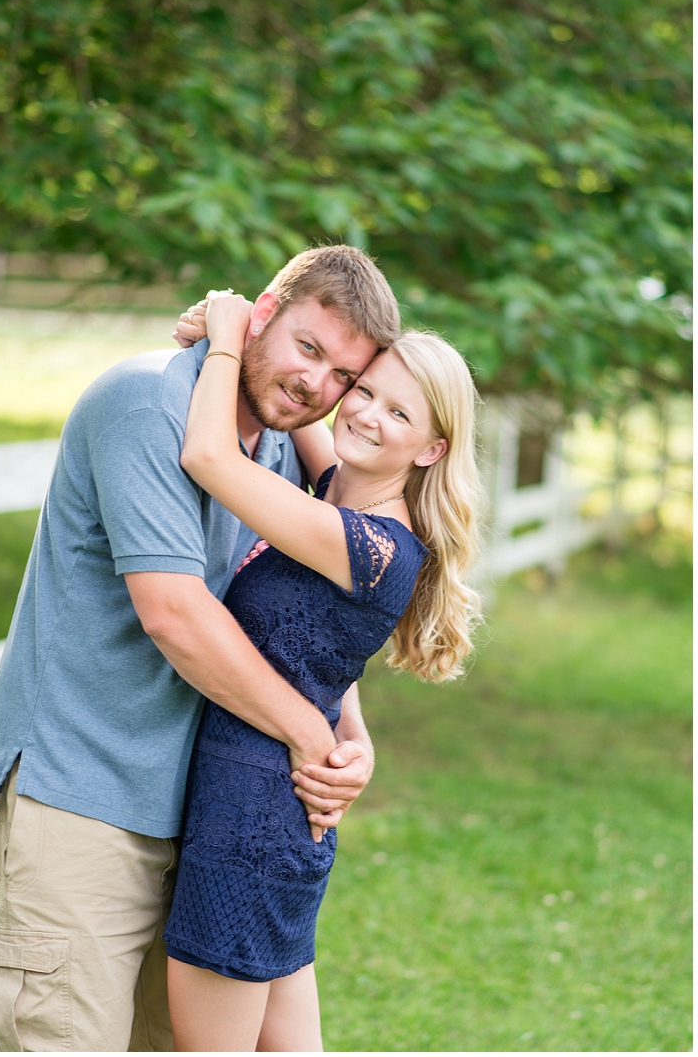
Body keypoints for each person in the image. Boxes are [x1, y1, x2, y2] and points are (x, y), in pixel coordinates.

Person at [0, 246, 400, 1052]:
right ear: (261, 311)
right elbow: (175, 613)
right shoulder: (146, 404)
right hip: (82, 796)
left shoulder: (271, 442)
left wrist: (347, 730)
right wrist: (309, 732)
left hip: (198, 815)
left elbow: (299, 614)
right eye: (309, 347)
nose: (317, 384)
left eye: (343, 375)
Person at [163, 291, 481, 1050]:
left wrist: (231, 339)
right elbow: (298, 399)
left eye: (400, 415)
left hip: (251, 821)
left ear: (433, 448)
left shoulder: (372, 543)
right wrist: (239, 324)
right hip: (276, 815)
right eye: (364, 391)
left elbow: (206, 454)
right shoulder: (341, 481)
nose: (367, 415)